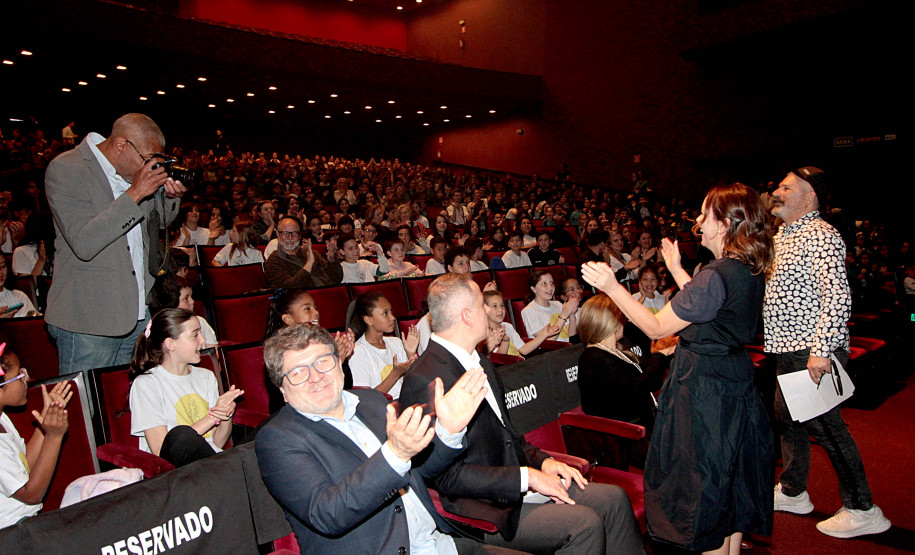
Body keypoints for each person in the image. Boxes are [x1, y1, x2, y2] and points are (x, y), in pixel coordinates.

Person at [581, 182, 774, 554]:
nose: (698, 221)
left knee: (706, 495)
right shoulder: (742, 270)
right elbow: (707, 307)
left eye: (705, 214)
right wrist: (676, 268)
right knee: (729, 488)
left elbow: (656, 327)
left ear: (724, 225)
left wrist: (612, 287)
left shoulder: (716, 274)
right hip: (733, 381)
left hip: (705, 393)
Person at [399, 274, 645, 554]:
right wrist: (526, 478)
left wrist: (544, 462)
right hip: (483, 508)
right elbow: (444, 478)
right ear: (467, 316)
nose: (491, 312)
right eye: (483, 305)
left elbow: (510, 438)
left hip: (519, 484)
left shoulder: (481, 363)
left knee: (614, 499)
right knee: (584, 525)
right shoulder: (424, 379)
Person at [255, 324, 504, 555]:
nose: (316, 376)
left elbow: (420, 471)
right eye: (298, 372)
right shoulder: (277, 439)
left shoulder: (372, 402)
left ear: (339, 364)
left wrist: (448, 431)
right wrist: (395, 454)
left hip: (439, 544)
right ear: (282, 390)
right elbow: (327, 513)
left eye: (323, 362)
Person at [764, 167, 891, 538]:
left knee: (828, 428)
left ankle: (862, 508)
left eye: (787, 187)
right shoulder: (784, 235)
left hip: (810, 349)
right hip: (789, 348)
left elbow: (836, 294)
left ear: (810, 196)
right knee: (787, 419)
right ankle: (792, 490)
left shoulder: (820, 234)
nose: (777, 191)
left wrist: (821, 351)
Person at [44, 113, 185, 378]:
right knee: (88, 411)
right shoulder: (68, 168)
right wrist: (135, 193)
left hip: (135, 314)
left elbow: (155, 225)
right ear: (121, 145)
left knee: (125, 408)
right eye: (148, 159)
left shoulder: (133, 176)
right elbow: (84, 243)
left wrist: (169, 198)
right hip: (88, 321)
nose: (152, 167)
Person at [129, 308, 244, 467]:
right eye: (195, 335)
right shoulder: (146, 384)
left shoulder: (206, 376)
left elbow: (217, 442)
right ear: (171, 344)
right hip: (178, 472)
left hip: (212, 462)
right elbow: (163, 449)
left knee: (272, 425)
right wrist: (212, 417)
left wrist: (225, 414)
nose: (203, 340)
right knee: (180, 435)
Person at [0, 347, 71, 529]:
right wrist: (53, 438)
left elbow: (25, 468)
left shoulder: (2, 418)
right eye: (20, 375)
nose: (27, 379)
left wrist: (45, 424)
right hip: (11, 531)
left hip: (26, 522)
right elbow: (31, 495)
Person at [576, 294, 669, 432]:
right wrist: (660, 355)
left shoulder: (617, 348)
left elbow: (647, 377)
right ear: (609, 322)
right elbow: (639, 388)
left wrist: (660, 353)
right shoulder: (593, 358)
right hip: (627, 434)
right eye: (621, 317)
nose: (624, 321)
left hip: (641, 422)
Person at [348, 292, 418, 400]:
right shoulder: (358, 352)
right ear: (368, 320)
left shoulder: (396, 342)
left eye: (391, 311)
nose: (392, 317)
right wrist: (395, 374)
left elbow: (414, 382)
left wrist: (410, 354)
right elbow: (366, 400)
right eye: (385, 313)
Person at [264, 218, 342, 289]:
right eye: (285, 233)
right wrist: (309, 263)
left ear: (299, 236)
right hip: (304, 301)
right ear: (278, 234)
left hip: (329, 293)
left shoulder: (311, 253)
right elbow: (289, 288)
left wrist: (332, 261)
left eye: (294, 233)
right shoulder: (273, 261)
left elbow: (337, 278)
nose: (290, 238)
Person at [483, 290, 560, 357]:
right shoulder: (484, 333)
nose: (500, 309)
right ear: (485, 310)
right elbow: (498, 361)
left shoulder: (507, 326)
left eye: (502, 305)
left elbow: (524, 350)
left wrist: (543, 335)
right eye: (494, 306)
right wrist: (505, 341)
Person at [520, 270, 578, 342]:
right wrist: (564, 315)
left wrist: (571, 313)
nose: (550, 287)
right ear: (533, 289)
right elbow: (548, 341)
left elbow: (572, 336)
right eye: (544, 284)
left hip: (569, 347)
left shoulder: (558, 304)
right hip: (552, 351)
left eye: (551, 283)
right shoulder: (529, 311)